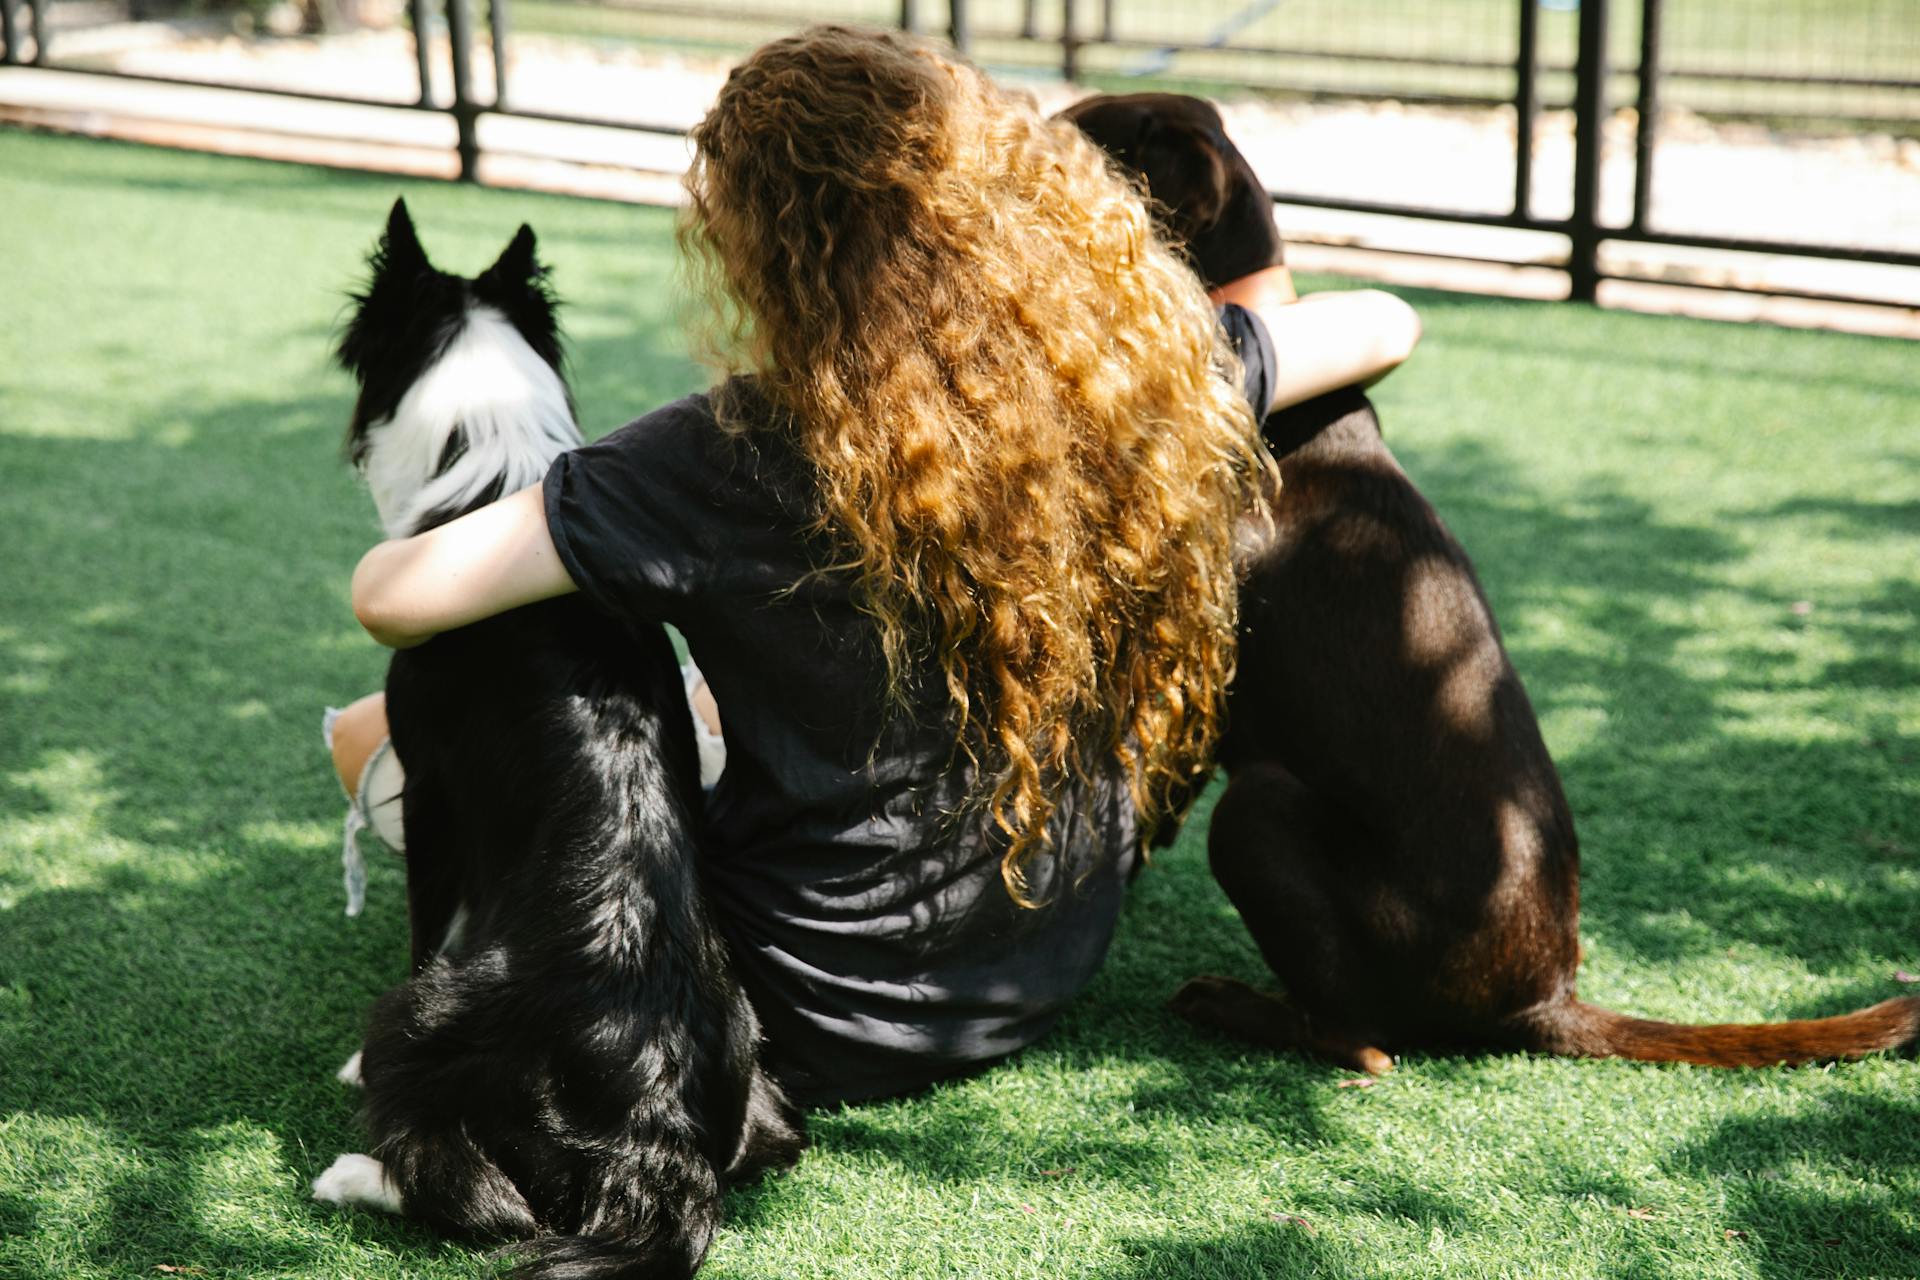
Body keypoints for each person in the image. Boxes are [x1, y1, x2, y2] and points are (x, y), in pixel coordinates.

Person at [333, 24, 1419, 1107]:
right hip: (1037, 972)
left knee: (364, 735)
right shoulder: (1126, 375)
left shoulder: (726, 450)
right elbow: (1387, 320)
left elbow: (394, 596)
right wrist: (1193, 344)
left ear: (769, 249)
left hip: (784, 1005)